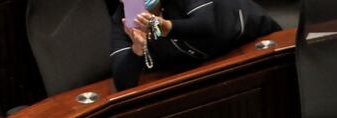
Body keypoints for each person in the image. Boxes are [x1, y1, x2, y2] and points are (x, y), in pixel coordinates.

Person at [110, 0, 280, 91]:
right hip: (208, 69)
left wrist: (160, 26)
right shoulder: (123, 21)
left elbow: (205, 26)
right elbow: (123, 83)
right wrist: (137, 49)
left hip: (253, 41)